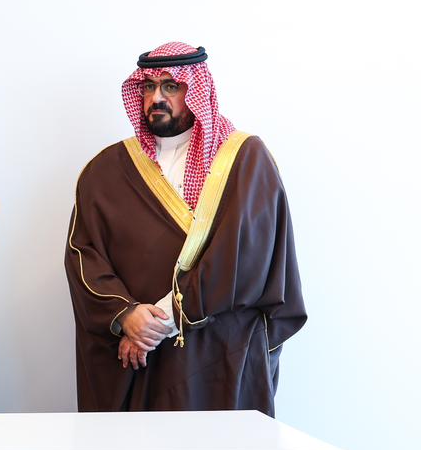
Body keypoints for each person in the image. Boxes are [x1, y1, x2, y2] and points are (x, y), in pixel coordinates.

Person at [65, 42, 306, 414]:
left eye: (170, 86)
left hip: (219, 356)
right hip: (139, 361)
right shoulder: (105, 171)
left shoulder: (245, 160)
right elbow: (84, 255)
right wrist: (127, 315)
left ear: (195, 90)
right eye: (149, 87)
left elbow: (244, 258)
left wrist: (161, 321)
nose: (156, 98)